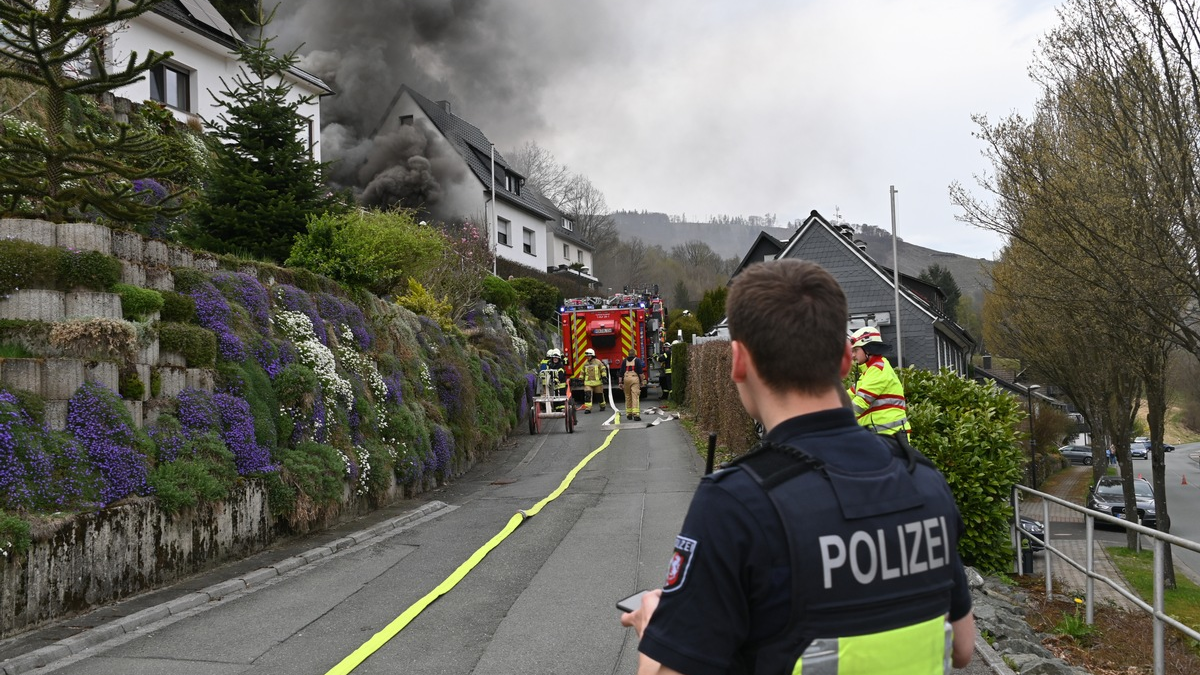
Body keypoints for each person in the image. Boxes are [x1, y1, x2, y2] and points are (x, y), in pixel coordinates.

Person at [620, 259, 974, 674]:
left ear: (738, 362)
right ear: (845, 360)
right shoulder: (924, 481)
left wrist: (656, 629)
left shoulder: (736, 502)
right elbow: (962, 648)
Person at [846, 326, 912, 438]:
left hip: (892, 438)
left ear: (868, 349)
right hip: (883, 438)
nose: (853, 355)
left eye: (856, 350)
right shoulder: (868, 372)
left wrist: (833, 420)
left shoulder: (878, 370)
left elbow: (860, 404)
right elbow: (846, 396)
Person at [622, 350, 647, 421]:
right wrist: (642, 381)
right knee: (635, 396)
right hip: (634, 378)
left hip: (626, 379)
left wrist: (620, 383)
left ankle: (629, 414)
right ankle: (635, 414)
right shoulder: (637, 360)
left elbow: (621, 372)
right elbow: (640, 372)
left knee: (627, 396)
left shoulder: (624, 361)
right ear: (634, 354)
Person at [580, 348, 607, 414]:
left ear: (592, 356)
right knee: (587, 395)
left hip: (597, 383)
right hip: (588, 383)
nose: (588, 357)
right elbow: (582, 371)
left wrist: (604, 376)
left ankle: (602, 405)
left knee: (599, 395)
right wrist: (581, 378)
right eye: (587, 356)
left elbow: (603, 369)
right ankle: (588, 408)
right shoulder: (585, 363)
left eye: (589, 356)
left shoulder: (598, 362)